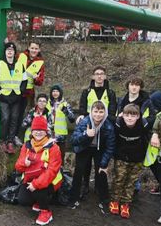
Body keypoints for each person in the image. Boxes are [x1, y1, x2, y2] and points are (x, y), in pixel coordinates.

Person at [76, 65, 117, 200]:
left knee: (99, 160)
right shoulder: (86, 91)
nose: (99, 76)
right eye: (97, 74)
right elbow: (82, 108)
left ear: (105, 76)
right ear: (93, 76)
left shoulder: (110, 93)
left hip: (103, 129)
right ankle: (85, 185)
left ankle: (99, 187)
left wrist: (103, 122)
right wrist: (83, 117)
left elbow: (112, 111)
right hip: (89, 127)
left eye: (102, 74)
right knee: (86, 161)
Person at [15, 116, 63, 226]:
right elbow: (18, 167)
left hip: (51, 181)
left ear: (46, 131)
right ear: (32, 131)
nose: (38, 133)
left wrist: (36, 184)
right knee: (23, 200)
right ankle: (38, 201)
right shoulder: (26, 145)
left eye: (41, 130)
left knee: (39, 190)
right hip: (31, 179)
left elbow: (52, 171)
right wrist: (24, 163)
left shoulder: (53, 147)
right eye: (36, 130)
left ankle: (46, 212)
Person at [69, 100, 115, 213]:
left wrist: (104, 163)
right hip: (85, 147)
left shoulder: (108, 126)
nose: (98, 114)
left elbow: (110, 147)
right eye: (95, 111)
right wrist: (86, 134)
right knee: (79, 170)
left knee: (101, 170)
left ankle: (103, 197)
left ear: (105, 112)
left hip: (100, 149)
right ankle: (74, 195)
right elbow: (73, 140)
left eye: (101, 112)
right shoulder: (85, 122)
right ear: (91, 111)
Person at [109, 104, 150, 219]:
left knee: (131, 182)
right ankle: (115, 201)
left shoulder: (143, 124)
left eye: (133, 115)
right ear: (123, 115)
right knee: (119, 179)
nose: (130, 118)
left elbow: (149, 135)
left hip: (137, 158)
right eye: (127, 115)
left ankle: (126, 203)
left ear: (138, 116)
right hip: (121, 157)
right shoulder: (118, 123)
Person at [0, 42, 27, 154]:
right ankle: (3, 141)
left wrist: (20, 92)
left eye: (12, 50)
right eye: (8, 50)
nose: (10, 51)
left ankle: (10, 141)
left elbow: (24, 80)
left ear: (14, 52)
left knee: (14, 118)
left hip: (16, 96)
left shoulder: (20, 65)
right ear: (5, 52)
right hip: (4, 95)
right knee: (6, 118)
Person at [16, 41, 45, 145]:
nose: (34, 50)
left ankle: (25, 139)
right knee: (14, 115)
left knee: (26, 117)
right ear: (28, 48)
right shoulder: (20, 56)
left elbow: (40, 81)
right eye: (32, 48)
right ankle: (12, 138)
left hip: (28, 94)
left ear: (39, 50)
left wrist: (36, 79)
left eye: (36, 49)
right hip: (15, 90)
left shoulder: (40, 62)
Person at [46, 84, 76, 158]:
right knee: (48, 157)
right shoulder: (47, 104)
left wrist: (66, 111)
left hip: (60, 136)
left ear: (60, 93)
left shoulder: (65, 104)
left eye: (57, 91)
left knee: (60, 156)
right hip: (48, 135)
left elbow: (72, 119)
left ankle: (60, 169)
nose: (55, 93)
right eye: (53, 91)